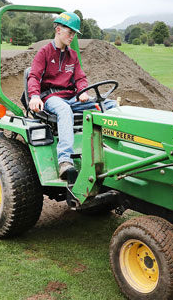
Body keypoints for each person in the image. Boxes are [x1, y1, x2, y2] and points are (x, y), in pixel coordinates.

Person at [27, 12, 117, 179]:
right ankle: (65, 161)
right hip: (51, 99)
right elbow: (34, 76)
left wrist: (84, 92)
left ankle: (111, 152)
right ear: (58, 30)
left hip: (72, 98)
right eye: (70, 32)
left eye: (74, 33)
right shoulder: (44, 52)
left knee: (110, 105)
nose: (72, 36)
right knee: (64, 110)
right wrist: (34, 96)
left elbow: (80, 78)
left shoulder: (73, 55)